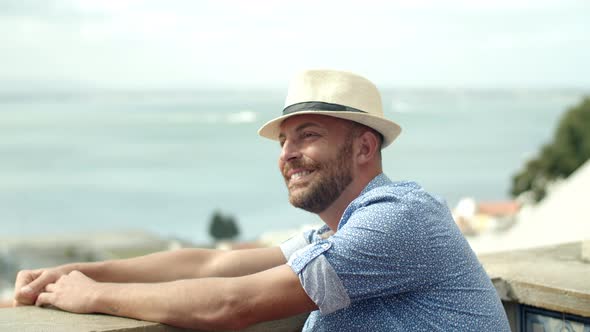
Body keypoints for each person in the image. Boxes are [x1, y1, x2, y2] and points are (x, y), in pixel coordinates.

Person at [13, 69, 510, 331]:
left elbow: (234, 303)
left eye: (307, 135)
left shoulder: (401, 220)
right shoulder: (338, 234)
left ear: (364, 146)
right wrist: (79, 272)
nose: (289, 155)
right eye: (283, 142)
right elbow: (210, 266)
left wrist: (95, 297)